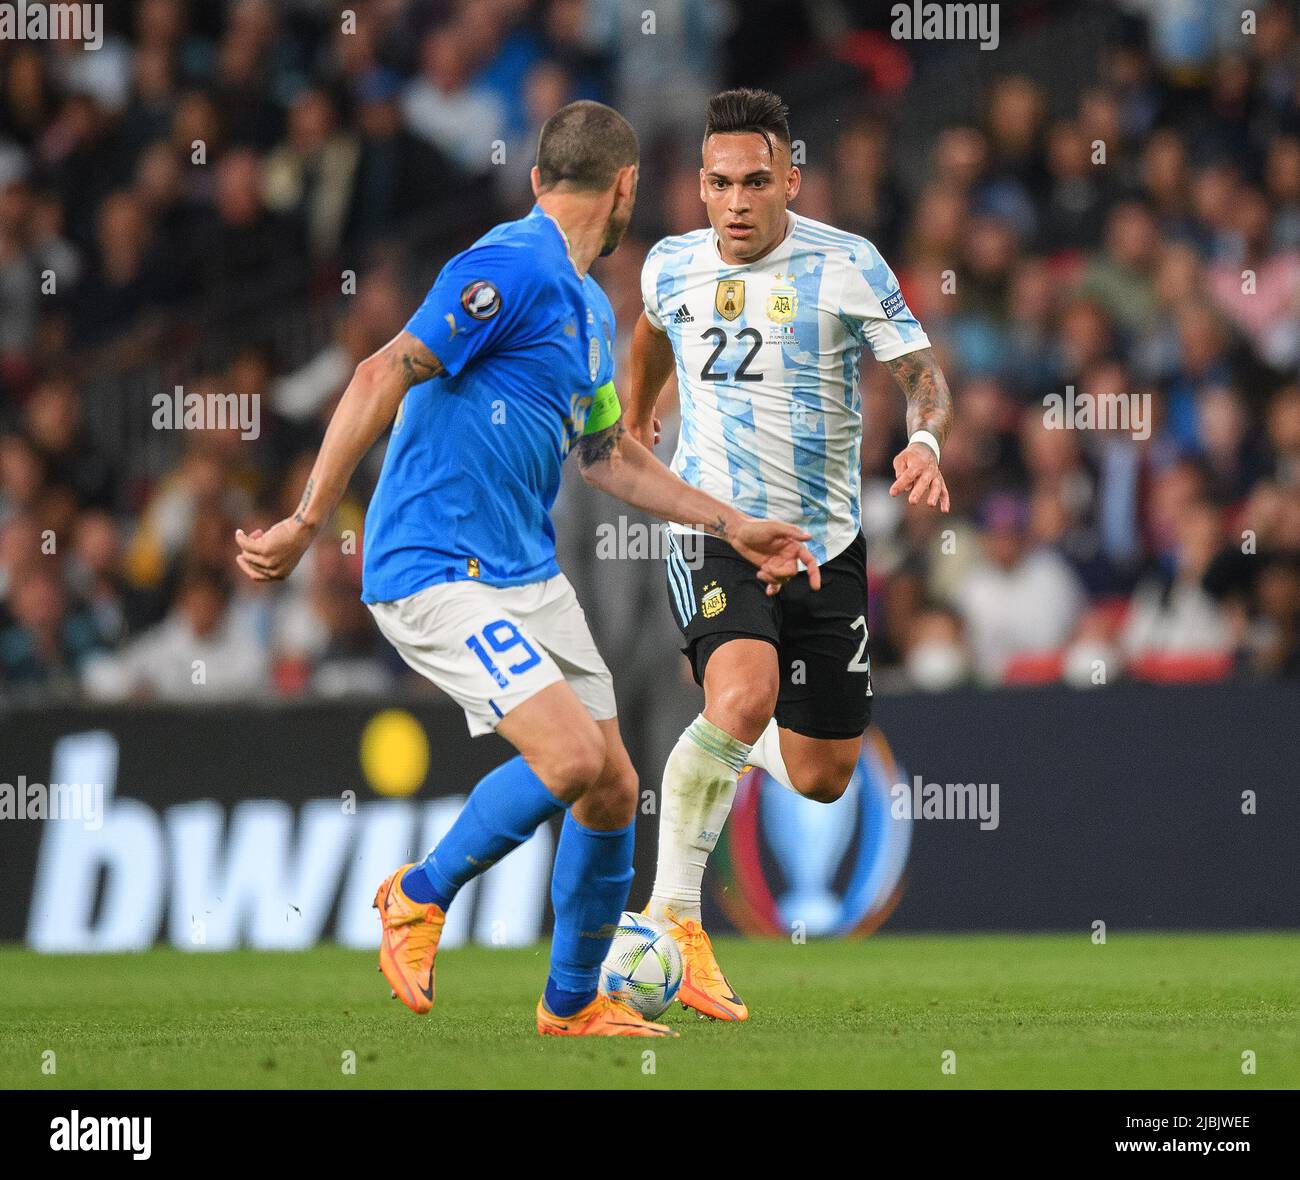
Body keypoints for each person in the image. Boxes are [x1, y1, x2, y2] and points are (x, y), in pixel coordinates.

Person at [234, 101, 818, 1038]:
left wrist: (732, 522)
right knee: (572, 755)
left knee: (614, 787)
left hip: (524, 574)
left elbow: (608, 457)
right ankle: (416, 895)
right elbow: (380, 371)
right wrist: (310, 517)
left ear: (544, 176)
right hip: (433, 565)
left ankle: (572, 1001)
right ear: (626, 187)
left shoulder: (587, 307)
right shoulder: (507, 264)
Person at [624, 89, 954, 1021]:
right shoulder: (670, 263)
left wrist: (924, 442)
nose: (735, 202)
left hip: (825, 545)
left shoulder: (847, 265)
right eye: (719, 183)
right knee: (741, 695)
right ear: (698, 186)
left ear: (791, 181)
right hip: (715, 530)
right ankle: (673, 922)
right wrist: (640, 403)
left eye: (756, 182)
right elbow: (650, 330)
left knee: (821, 775)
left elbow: (922, 376)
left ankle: (713, 754)